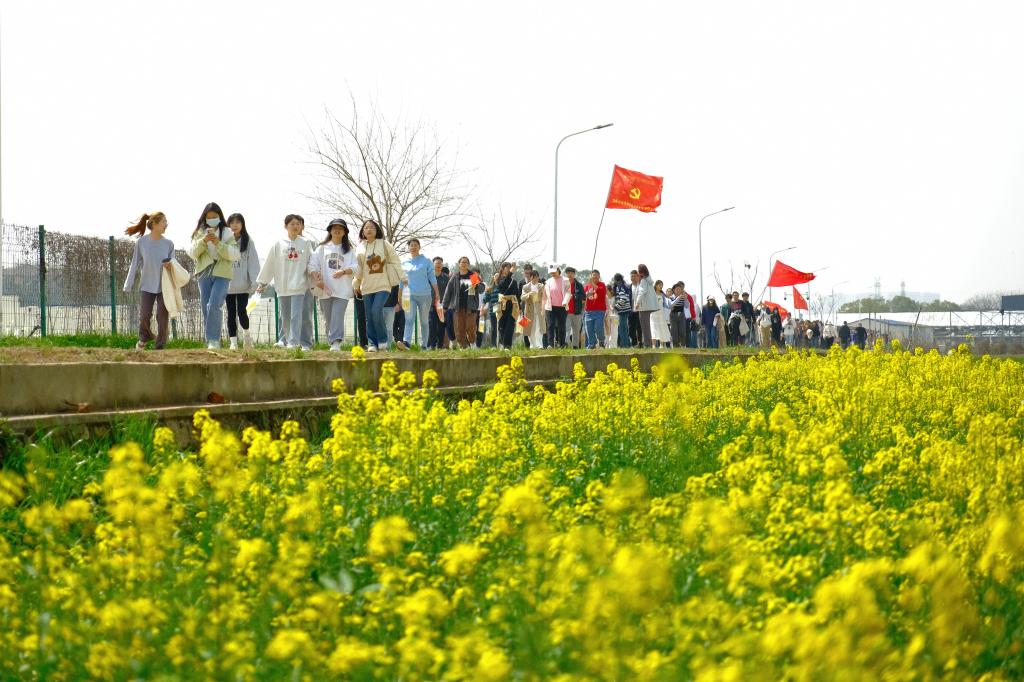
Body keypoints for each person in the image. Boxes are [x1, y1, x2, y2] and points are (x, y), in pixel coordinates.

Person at [255, 214, 314, 350]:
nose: (295, 226)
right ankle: (287, 340)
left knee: (296, 315)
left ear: (301, 226)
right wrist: (262, 283)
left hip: (299, 285)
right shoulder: (278, 243)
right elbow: (270, 263)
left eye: (298, 224)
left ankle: (294, 342)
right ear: (285, 226)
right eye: (292, 224)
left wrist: (315, 277)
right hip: (282, 286)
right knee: (286, 316)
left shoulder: (306, 243)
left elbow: (312, 262)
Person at [189, 202, 240, 349]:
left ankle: (213, 340)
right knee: (206, 307)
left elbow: (235, 254)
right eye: (209, 217)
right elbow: (192, 253)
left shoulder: (227, 232)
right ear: (204, 217)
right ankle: (210, 341)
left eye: (215, 216)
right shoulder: (199, 232)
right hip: (204, 272)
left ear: (220, 216)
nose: (212, 219)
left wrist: (218, 243)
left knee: (214, 304)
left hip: (222, 272)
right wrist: (204, 241)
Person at [123, 212, 175, 350]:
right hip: (147, 285)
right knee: (145, 315)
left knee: (162, 316)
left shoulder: (168, 244)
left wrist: (170, 265)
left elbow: (173, 264)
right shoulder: (142, 242)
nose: (166, 224)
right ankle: (144, 337)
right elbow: (134, 263)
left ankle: (160, 346)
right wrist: (128, 284)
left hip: (164, 285)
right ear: (154, 223)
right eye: (164, 221)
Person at [353, 219, 404, 352]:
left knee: (376, 310)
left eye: (372, 227)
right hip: (367, 286)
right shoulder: (360, 247)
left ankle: (382, 341)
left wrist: (403, 277)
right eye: (366, 228)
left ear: (377, 230)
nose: (369, 230)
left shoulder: (385, 244)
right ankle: (372, 344)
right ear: (363, 232)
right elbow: (359, 267)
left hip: (383, 285)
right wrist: (356, 283)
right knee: (369, 316)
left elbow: (396, 262)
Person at [309, 218, 357, 352]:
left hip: (342, 289)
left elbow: (356, 267)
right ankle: (332, 342)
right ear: (330, 231)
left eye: (340, 228)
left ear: (345, 232)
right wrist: (316, 277)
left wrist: (344, 271)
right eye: (334, 228)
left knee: (337, 315)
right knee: (329, 318)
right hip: (325, 289)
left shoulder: (349, 250)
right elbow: (312, 265)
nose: (337, 230)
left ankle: (336, 341)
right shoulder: (322, 248)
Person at [225, 213, 260, 350]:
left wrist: (255, 282)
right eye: (232, 222)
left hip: (243, 285)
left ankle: (247, 335)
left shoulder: (248, 241)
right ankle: (233, 342)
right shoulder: (224, 241)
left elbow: (253, 263)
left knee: (242, 312)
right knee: (230, 314)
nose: (234, 225)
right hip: (227, 285)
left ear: (242, 224)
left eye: (237, 222)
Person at [400, 238, 442, 350]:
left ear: (419, 247)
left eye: (415, 245)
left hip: (425, 295)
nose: (413, 247)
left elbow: (432, 277)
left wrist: (437, 293)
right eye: (411, 245)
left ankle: (424, 345)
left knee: (424, 321)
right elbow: (401, 281)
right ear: (408, 248)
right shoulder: (404, 263)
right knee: (409, 319)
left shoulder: (426, 261)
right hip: (409, 295)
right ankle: (406, 343)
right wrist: (399, 296)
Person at [440, 257, 485, 348]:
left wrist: (476, 286)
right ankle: (463, 347)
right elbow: (448, 292)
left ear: (468, 264)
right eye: (462, 262)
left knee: (471, 327)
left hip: (471, 307)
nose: (464, 264)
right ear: (459, 264)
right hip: (458, 307)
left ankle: (472, 344)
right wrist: (444, 306)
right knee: (459, 328)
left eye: (466, 262)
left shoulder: (473, 276)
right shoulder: (455, 277)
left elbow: (481, 289)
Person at [493, 262, 520, 350]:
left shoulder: (514, 281)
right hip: (501, 304)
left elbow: (517, 294)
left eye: (510, 267)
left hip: (512, 304)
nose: (509, 269)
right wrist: (510, 273)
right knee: (501, 325)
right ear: (503, 268)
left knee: (510, 325)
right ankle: (502, 343)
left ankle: (507, 346)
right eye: (507, 267)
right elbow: (502, 285)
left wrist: (519, 307)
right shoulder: (499, 279)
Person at [520, 268, 547, 349]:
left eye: (537, 277)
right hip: (529, 310)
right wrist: (529, 294)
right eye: (534, 277)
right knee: (530, 328)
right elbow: (522, 297)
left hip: (539, 309)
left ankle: (539, 345)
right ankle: (532, 345)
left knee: (539, 326)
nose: (536, 279)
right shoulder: (525, 287)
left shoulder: (541, 286)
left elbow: (545, 297)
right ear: (531, 277)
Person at [427, 256, 449, 349]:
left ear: (442, 265)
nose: (438, 265)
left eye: (440, 263)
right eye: (436, 263)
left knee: (441, 326)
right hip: (431, 305)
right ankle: (432, 345)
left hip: (442, 307)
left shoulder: (446, 278)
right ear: (433, 265)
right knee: (432, 325)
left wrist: (446, 306)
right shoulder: (428, 277)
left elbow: (449, 292)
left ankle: (440, 346)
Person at [583, 269, 607, 349]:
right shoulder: (587, 286)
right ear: (591, 276)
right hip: (588, 311)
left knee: (598, 327)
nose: (594, 277)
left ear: (599, 276)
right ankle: (592, 344)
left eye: (596, 275)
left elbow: (601, 292)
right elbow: (583, 298)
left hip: (599, 311)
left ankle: (601, 341)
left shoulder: (602, 285)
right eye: (593, 275)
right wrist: (586, 295)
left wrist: (592, 284)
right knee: (589, 329)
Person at [564, 267, 586, 349]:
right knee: (566, 329)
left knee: (576, 330)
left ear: (574, 274)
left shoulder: (579, 285)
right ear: (566, 274)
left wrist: (574, 296)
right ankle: (566, 344)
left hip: (576, 312)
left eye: (571, 273)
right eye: (568, 273)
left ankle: (575, 346)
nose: (570, 275)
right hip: (566, 311)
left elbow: (583, 297)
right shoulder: (564, 284)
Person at [611, 273, 632, 348]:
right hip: (625, 310)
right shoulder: (624, 286)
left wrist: (616, 307)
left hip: (623, 311)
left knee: (622, 329)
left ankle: (625, 345)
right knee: (623, 328)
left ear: (616, 280)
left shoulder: (620, 287)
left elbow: (623, 298)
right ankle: (627, 344)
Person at [668, 282, 689, 348]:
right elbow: (671, 305)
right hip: (673, 316)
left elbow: (687, 306)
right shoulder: (671, 297)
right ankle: (675, 345)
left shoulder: (683, 297)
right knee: (674, 331)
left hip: (681, 315)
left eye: (680, 289)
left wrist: (686, 299)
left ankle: (683, 345)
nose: (678, 290)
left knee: (682, 331)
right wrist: (678, 298)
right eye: (677, 289)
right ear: (674, 290)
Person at [651, 280, 671, 348]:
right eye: (659, 285)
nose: (661, 286)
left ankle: (661, 345)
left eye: (662, 285)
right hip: (653, 314)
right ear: (656, 285)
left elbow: (666, 304)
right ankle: (653, 345)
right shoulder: (652, 293)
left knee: (661, 328)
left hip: (661, 314)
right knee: (653, 328)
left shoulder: (663, 295)